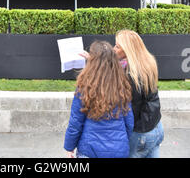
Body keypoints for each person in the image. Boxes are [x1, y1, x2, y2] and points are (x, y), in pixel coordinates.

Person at [64, 41, 134, 158]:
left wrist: (69, 147)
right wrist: (121, 141)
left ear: (92, 61)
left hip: (89, 150)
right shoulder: (122, 84)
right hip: (118, 150)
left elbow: (76, 122)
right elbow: (129, 122)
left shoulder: (84, 86)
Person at [113, 30, 164, 158]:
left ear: (128, 50)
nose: (113, 49)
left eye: (117, 46)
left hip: (141, 133)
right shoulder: (147, 63)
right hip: (156, 127)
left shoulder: (130, 75)